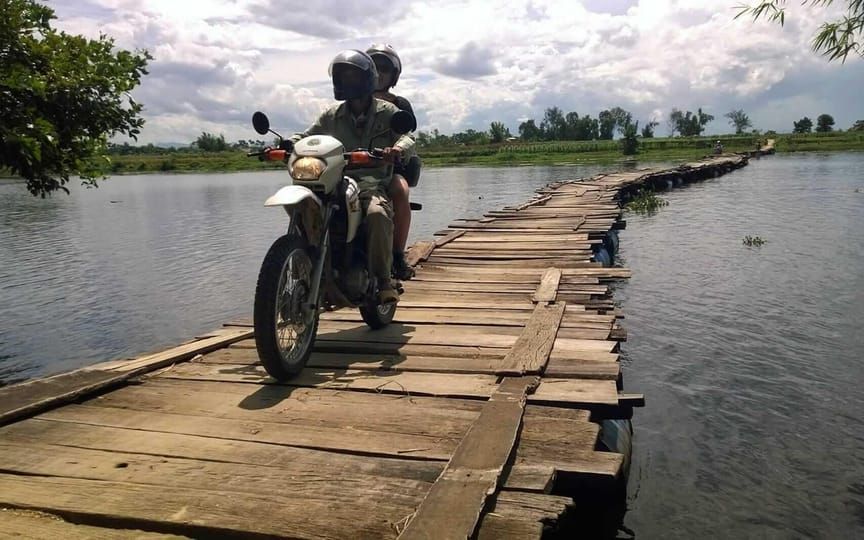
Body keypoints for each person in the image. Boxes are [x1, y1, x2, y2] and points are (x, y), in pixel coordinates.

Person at [292, 50, 415, 304]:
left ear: (367, 79)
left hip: (371, 182)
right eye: (343, 76)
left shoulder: (388, 111)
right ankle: (302, 267)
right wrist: (286, 143)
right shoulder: (331, 115)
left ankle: (384, 280)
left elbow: (408, 137)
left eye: (353, 76)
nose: (347, 82)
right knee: (303, 204)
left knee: (377, 214)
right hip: (332, 179)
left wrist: (397, 149)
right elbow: (307, 136)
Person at [366, 43, 419, 280]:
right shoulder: (351, 102)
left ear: (393, 75)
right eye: (374, 67)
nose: (379, 73)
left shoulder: (398, 104)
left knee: (400, 189)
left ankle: (397, 255)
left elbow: (408, 134)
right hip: (352, 167)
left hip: (388, 167)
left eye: (384, 69)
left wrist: (396, 149)